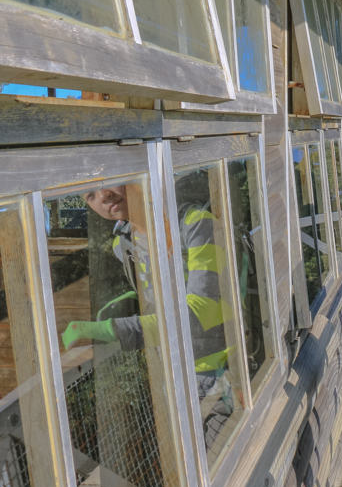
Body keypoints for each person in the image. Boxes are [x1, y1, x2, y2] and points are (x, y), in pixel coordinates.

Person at [61, 183, 237, 450]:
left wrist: (110, 330)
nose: (104, 196)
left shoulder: (195, 224)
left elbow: (200, 313)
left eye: (110, 180)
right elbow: (155, 298)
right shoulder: (124, 243)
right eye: (90, 195)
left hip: (225, 375)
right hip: (175, 375)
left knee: (228, 466)